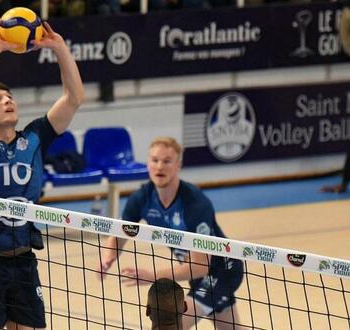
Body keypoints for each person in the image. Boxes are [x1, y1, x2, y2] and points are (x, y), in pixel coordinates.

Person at [0, 19, 84, 329]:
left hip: (24, 260)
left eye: (9, 96)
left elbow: (74, 98)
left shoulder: (35, 136)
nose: (7, 100)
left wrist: (60, 49)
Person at [98, 137, 245, 330]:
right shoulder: (142, 198)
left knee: (169, 325)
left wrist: (152, 276)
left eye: (167, 161)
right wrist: (108, 257)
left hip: (223, 270)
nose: (160, 166)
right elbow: (121, 232)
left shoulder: (195, 204)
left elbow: (200, 266)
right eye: (154, 160)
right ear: (148, 164)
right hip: (198, 275)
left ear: (178, 165)